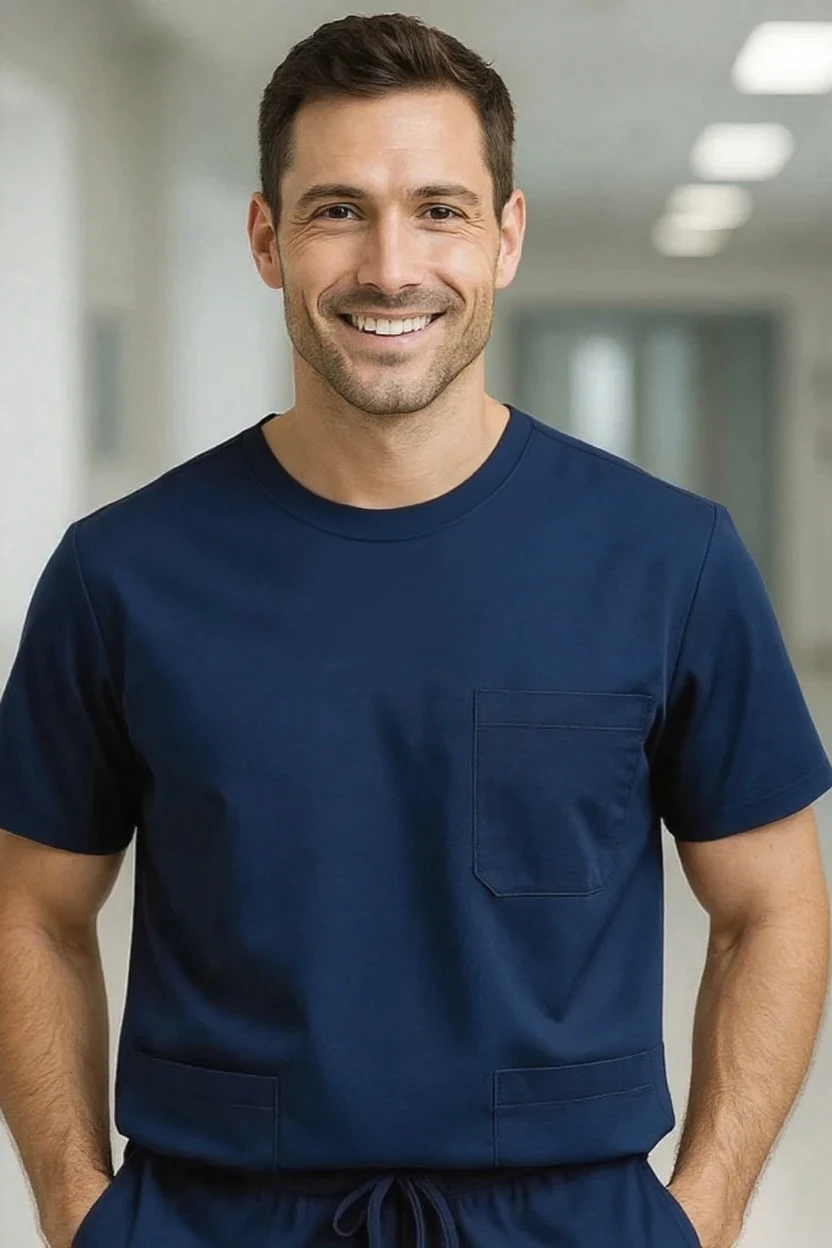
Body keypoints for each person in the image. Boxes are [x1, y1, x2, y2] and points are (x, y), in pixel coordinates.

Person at [0, 11, 830, 1248]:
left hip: (563, 1218)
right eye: (338, 209)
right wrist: (76, 1211)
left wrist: (696, 1221)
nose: (392, 265)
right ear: (266, 240)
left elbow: (772, 905)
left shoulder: (667, 560)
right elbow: (33, 908)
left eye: (439, 209)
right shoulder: (124, 573)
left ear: (505, 238)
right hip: (214, 1215)